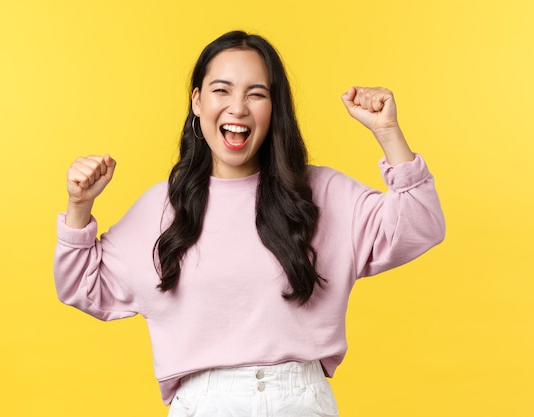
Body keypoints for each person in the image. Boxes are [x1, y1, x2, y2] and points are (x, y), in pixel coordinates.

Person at [54, 30, 445, 416]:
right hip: (205, 403)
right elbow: (81, 286)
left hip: (300, 401)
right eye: (221, 90)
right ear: (197, 101)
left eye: (256, 94)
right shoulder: (162, 207)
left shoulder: (322, 194)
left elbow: (421, 224)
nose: (237, 108)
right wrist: (79, 206)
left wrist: (389, 134)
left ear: (274, 108)